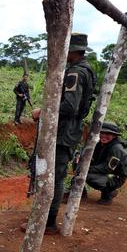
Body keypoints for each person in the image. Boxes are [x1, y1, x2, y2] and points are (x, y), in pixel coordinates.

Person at [31, 33, 97, 234]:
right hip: (69, 132)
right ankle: (46, 220)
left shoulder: (75, 73)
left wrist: (43, 112)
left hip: (62, 133)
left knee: (54, 178)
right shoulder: (87, 70)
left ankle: (47, 222)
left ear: (73, 51)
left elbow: (70, 106)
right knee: (55, 176)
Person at [87, 121, 127, 205]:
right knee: (78, 163)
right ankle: (80, 192)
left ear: (114, 136)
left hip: (115, 176)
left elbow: (107, 168)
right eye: (102, 133)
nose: (104, 136)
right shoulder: (99, 144)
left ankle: (108, 193)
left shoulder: (116, 148)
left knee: (88, 175)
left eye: (108, 134)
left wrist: (87, 169)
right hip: (105, 171)